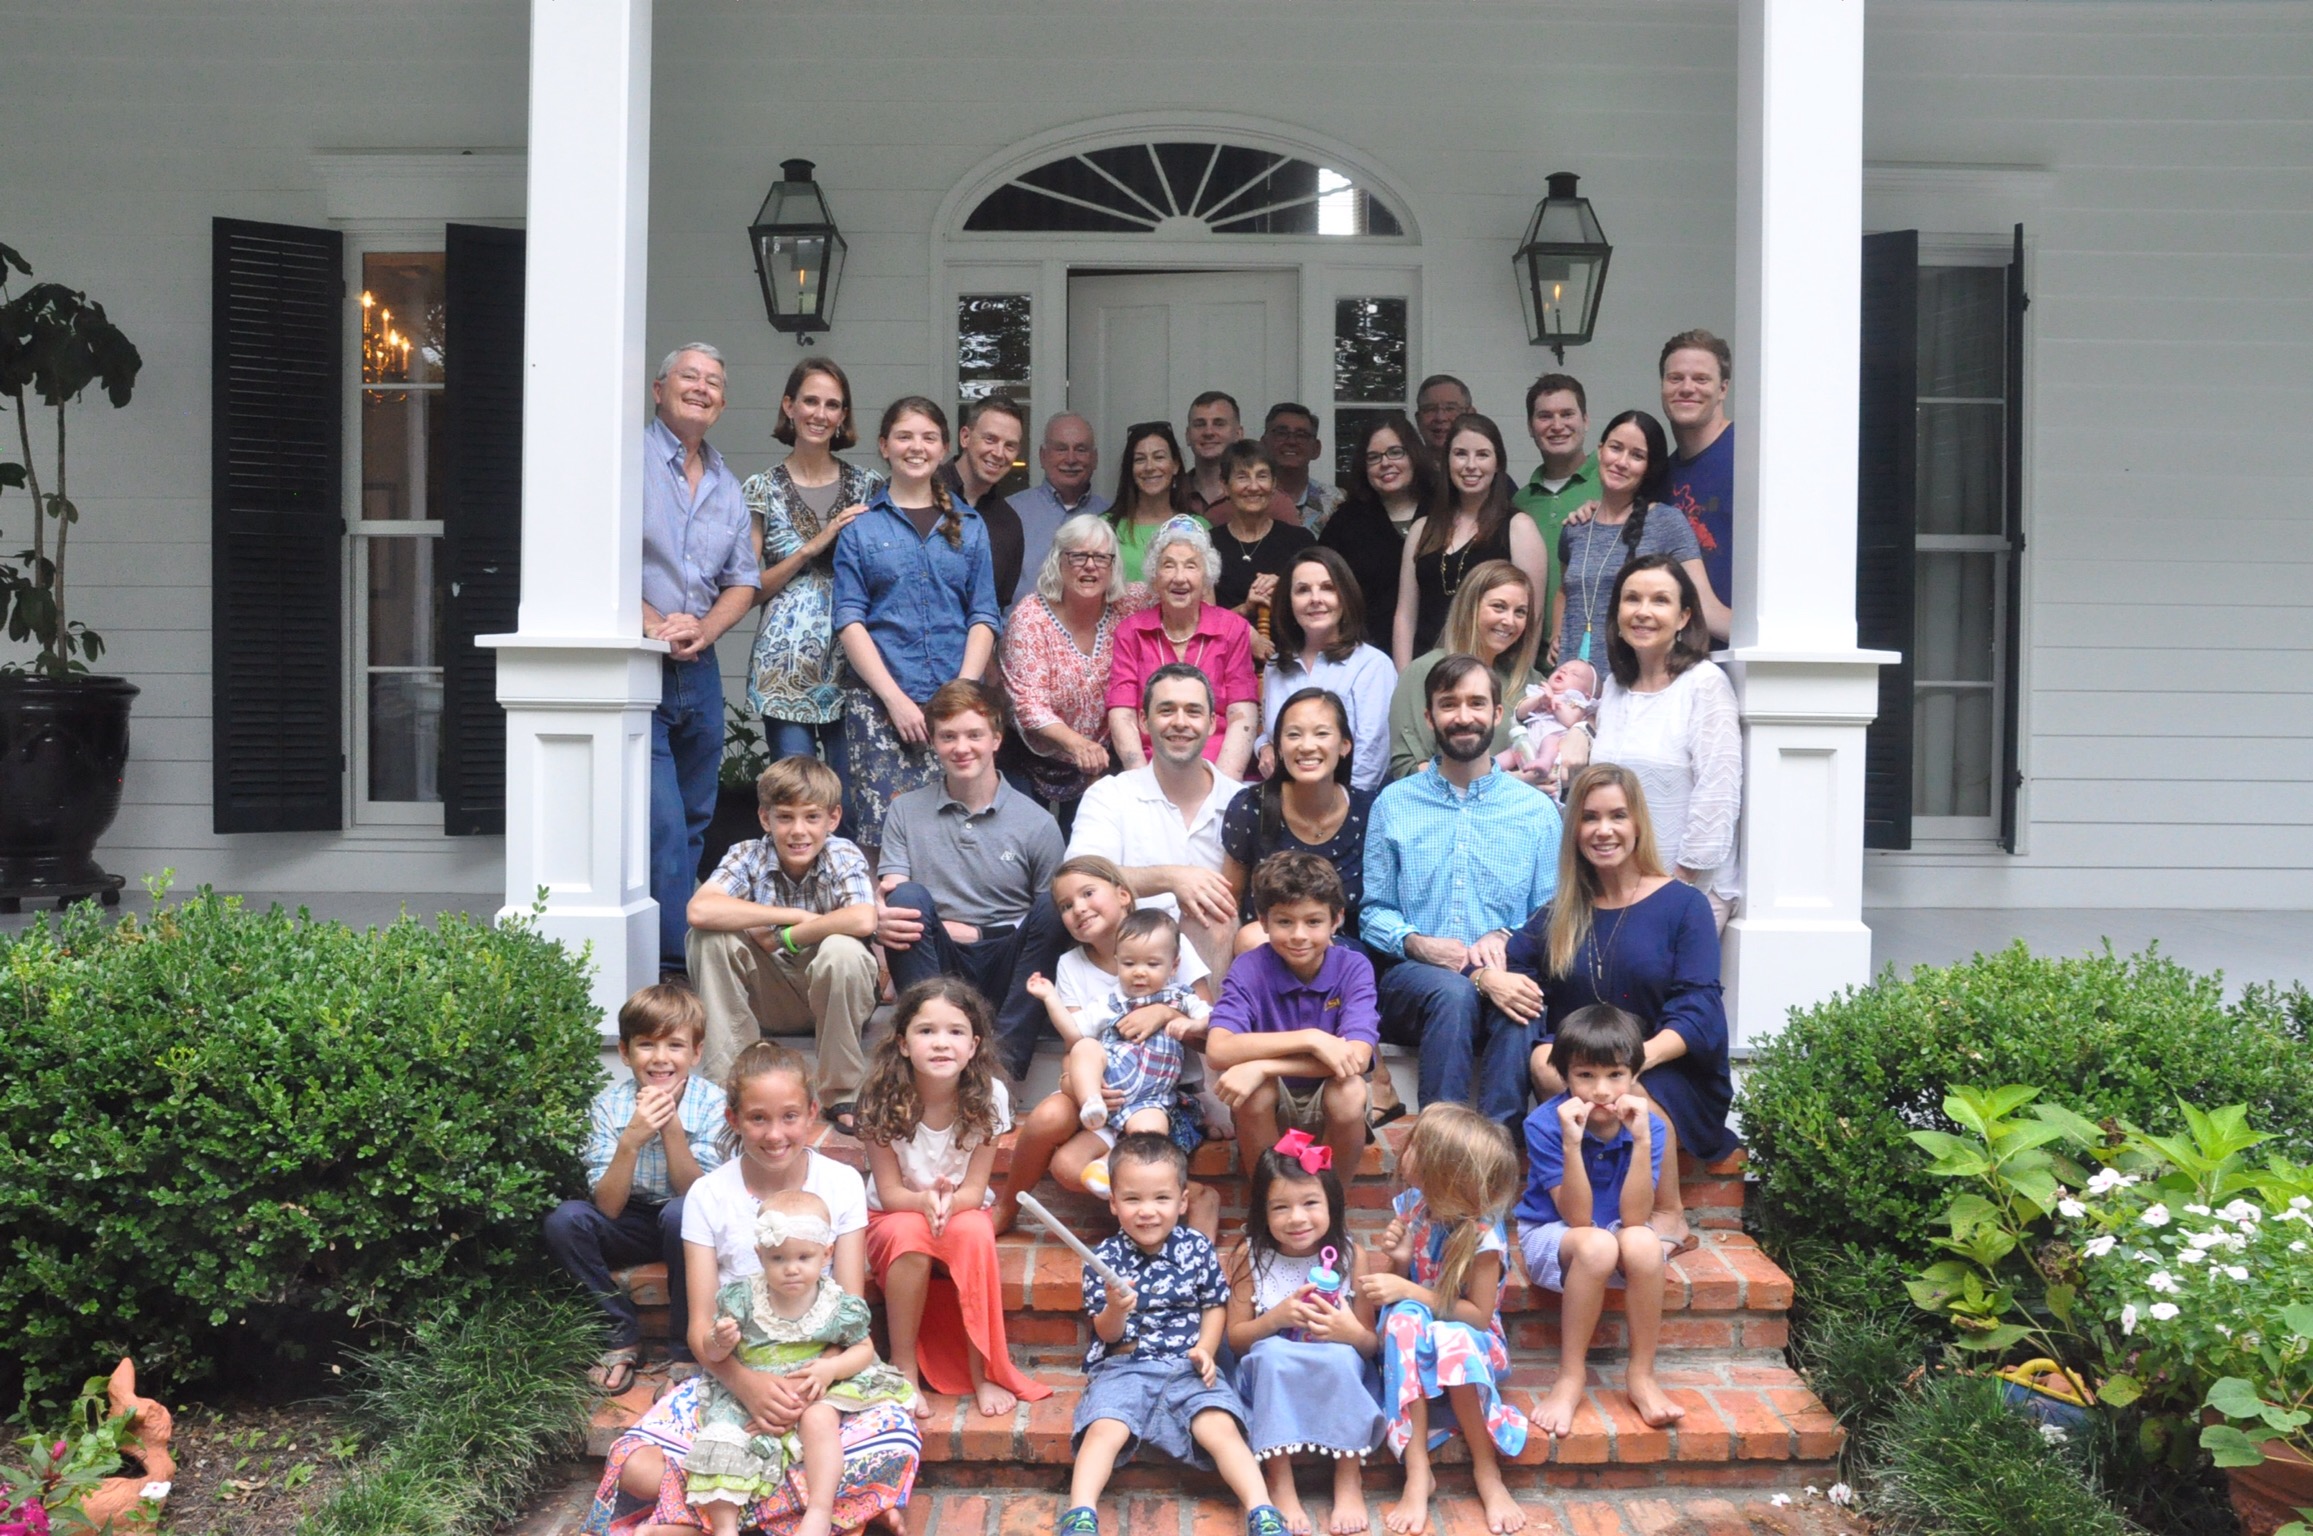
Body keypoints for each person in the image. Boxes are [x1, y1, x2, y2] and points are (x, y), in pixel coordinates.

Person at [585, 1041, 918, 1536]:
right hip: (735, 1372)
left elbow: (851, 1314)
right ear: (734, 1119)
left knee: (897, 1441)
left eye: (789, 1117)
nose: (775, 1134)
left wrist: (807, 1386)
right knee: (637, 1467)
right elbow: (700, 1328)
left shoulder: (842, 1183)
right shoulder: (708, 1195)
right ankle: (837, 1505)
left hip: (821, 1380)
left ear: (812, 1112)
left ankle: (706, 1513)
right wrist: (750, 1386)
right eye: (758, 1119)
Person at [1510, 763, 1739, 1220]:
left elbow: (1698, 1008)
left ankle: (1667, 1212)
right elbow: (1515, 960)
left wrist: (1629, 1062)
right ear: (1574, 829)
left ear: (1637, 824)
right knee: (1547, 1060)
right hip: (1589, 1061)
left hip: (1669, 1065)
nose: (1604, 830)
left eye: (1617, 815)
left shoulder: (1683, 905)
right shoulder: (1561, 913)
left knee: (1622, 1083)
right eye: (1590, 818)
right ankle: (1593, 1207)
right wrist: (1487, 977)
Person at [1362, 654, 1560, 1130]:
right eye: (1449, 704)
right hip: (1415, 981)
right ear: (1430, 717)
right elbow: (1373, 911)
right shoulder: (1395, 803)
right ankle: (1441, 1146)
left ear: (1498, 714)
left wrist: (1507, 935)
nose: (1463, 716)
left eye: (1476, 703)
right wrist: (1416, 943)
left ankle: (1498, 1155)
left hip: (1506, 975)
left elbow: (1551, 912)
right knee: (1453, 992)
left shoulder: (1536, 811)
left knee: (1523, 1003)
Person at [1060, 1134, 1289, 1536]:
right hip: (1125, 1367)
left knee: (1220, 1427)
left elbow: (1214, 1304)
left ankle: (1262, 1510)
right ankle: (1080, 1514)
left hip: (1188, 1366)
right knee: (1104, 1428)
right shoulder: (1104, 1258)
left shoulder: (1197, 1248)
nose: (1147, 1211)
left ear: (1182, 1202)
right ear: (1113, 1203)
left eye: (1161, 1198)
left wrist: (1206, 1349)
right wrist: (1115, 1308)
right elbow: (1106, 1332)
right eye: (1132, 1199)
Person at [857, 978, 1049, 1420]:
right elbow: (889, 1192)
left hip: (961, 1206)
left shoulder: (990, 1096)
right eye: (926, 1031)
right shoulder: (879, 1096)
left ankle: (982, 1370)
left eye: (956, 1032)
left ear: (974, 1045)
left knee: (974, 1234)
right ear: (903, 1043)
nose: (941, 1043)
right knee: (909, 1235)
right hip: (895, 1210)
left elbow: (976, 1189)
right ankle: (903, 1367)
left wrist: (951, 1203)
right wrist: (923, 1202)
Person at [998, 855, 1218, 1239]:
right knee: (1052, 1128)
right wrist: (1078, 1086)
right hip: (1101, 1091)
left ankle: (1181, 1196)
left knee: (1144, 1144)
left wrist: (1164, 1013)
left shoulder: (1166, 942)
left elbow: (1211, 1034)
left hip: (1159, 1096)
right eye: (1066, 905)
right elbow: (1077, 1041)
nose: (1078, 908)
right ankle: (1007, 1207)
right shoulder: (1071, 965)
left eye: (1088, 893)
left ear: (1123, 894)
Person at [687, 1187, 915, 1536]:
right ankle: (724, 1526)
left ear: (826, 1254)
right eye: (778, 1258)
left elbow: (863, 1348)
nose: (791, 1269)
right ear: (760, 1255)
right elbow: (713, 1353)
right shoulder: (743, 1299)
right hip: (754, 1391)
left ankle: (819, 1511)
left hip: (815, 1389)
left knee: (820, 1420)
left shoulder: (835, 1304)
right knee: (723, 1437)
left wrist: (830, 1369)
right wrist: (718, 1341)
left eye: (804, 1257)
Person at [831, 397, 1001, 857]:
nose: (916, 447)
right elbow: (849, 619)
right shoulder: (861, 528)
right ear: (884, 446)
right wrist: (894, 700)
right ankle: (882, 908)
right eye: (904, 436)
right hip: (880, 706)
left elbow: (983, 615)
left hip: (953, 708)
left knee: (955, 831)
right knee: (878, 835)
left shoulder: (970, 526)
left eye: (928, 437)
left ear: (944, 448)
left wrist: (961, 694)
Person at [875, 681, 1067, 1080]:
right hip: (937, 957)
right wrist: (884, 916)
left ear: (996, 739)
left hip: (1008, 962)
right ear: (933, 742)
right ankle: (929, 1048)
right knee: (905, 898)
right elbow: (893, 894)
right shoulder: (905, 811)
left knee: (1055, 905)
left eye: (974, 735)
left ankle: (1002, 1072)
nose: (961, 748)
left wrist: (981, 934)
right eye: (948, 736)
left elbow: (1051, 923)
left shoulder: (1037, 823)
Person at [1354, 1103, 1527, 1536]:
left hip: (1472, 1343)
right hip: (1413, 1339)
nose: (1404, 1151)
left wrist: (1409, 1289)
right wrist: (1399, 1260)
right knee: (1402, 1319)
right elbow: (1402, 1290)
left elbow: (1478, 1316)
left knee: (1451, 1336)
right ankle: (1417, 1471)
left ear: (1446, 1171)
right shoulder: (1414, 1206)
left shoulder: (1482, 1234)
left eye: (1417, 1147)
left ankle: (1486, 1469)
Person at [1514, 1005, 1685, 1444]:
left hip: (1616, 1231)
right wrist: (1572, 1145)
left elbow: (1635, 1218)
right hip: (1555, 1235)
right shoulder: (1545, 1123)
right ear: (1565, 1077)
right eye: (1585, 1075)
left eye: (1615, 1075)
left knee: (1644, 1243)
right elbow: (1576, 1218)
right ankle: (1571, 1377)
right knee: (1596, 1245)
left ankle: (1641, 1375)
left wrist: (1641, 1140)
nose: (1601, 1090)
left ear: (1634, 1075)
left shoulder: (1650, 1126)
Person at [642, 343, 759, 977]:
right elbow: (599, 558)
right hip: (640, 664)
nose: (702, 388)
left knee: (694, 818)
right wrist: (655, 624)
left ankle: (672, 949)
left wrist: (704, 630)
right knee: (661, 821)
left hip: (700, 667)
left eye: (713, 381)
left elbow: (743, 580)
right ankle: (673, 963)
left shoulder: (726, 485)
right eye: (689, 376)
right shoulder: (627, 463)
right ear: (658, 389)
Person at [546, 984, 726, 1396]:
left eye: (675, 1045)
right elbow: (607, 1208)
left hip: (689, 1226)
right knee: (564, 1221)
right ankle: (619, 1332)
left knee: (681, 1212)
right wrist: (631, 1140)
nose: (661, 1057)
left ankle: (686, 1348)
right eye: (647, 1044)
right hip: (628, 1218)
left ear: (696, 1053)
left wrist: (671, 1128)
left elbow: (699, 1196)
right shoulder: (608, 1106)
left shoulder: (713, 1104)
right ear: (625, 1052)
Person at [685, 755, 882, 1113]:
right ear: (766, 818)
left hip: (834, 995)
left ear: (833, 819)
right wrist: (791, 915)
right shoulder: (747, 855)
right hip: (771, 996)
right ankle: (732, 1087)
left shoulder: (842, 854)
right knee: (709, 937)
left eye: (812, 817)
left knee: (842, 949)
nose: (798, 831)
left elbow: (863, 918)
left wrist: (787, 937)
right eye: (786, 817)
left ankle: (842, 1093)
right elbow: (700, 910)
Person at [1560, 556, 1741, 926]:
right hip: (1614, 890)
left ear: (1684, 617)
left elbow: (1718, 794)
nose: (1643, 612)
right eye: (1632, 599)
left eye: (1660, 600)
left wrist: (1675, 886)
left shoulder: (1704, 684)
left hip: (1686, 893)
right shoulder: (1615, 686)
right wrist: (1580, 731)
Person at [1223, 1143, 1385, 1535]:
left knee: (1342, 1357)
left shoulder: (1350, 1255)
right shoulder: (1251, 1256)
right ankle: (1280, 1478)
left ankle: (1348, 1474)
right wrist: (1275, 1319)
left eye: (1310, 1203)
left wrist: (1349, 1332)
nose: (1297, 1218)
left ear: (1332, 1204)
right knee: (1271, 1355)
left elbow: (1370, 1345)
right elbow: (1236, 1339)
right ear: (1263, 1211)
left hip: (1336, 1366)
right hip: (1271, 1369)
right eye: (1280, 1207)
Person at [743, 356, 881, 770]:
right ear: (789, 406)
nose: (820, 414)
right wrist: (809, 548)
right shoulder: (761, 488)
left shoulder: (869, 486)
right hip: (783, 667)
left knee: (852, 793)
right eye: (810, 401)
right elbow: (747, 590)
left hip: (855, 662)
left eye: (832, 404)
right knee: (797, 793)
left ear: (843, 415)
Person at [1205, 853, 1377, 1176]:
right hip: (1271, 1104)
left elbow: (1356, 1059)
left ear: (1336, 920)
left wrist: (1263, 1065)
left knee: (1350, 1090)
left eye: (1313, 922)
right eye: (1285, 922)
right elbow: (1218, 1049)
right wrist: (1311, 1039)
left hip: (1330, 1102)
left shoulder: (1353, 967)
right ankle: (1270, 1202)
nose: (1299, 935)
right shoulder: (1249, 967)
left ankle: (1333, 1202)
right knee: (1254, 1093)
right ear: (1263, 921)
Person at [1075, 662, 1247, 979]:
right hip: (1127, 959)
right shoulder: (1110, 795)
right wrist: (1171, 878)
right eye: (1167, 710)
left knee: (1214, 915)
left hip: (1214, 953)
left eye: (1193, 712)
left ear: (1212, 723)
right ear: (1144, 720)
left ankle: (1209, 1013)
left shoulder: (1242, 802)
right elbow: (1079, 879)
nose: (1180, 722)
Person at [1000, 513, 1150, 819]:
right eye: (1078, 556)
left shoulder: (1129, 604)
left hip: (1101, 761)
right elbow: (1029, 706)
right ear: (1058, 561)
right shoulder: (1030, 617)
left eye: (1101, 557)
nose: (1090, 566)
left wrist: (1243, 616)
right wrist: (1079, 745)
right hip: (1031, 759)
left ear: (1113, 566)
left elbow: (1182, 595)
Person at [1550, 410, 1727, 671]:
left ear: (1649, 467)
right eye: (1615, 448)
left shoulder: (1666, 522)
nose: (1621, 462)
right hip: (1572, 685)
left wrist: (1770, 641)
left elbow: (1705, 608)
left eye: (1637, 455)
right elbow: (1566, 590)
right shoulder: (1576, 527)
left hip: (1633, 681)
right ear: (1600, 450)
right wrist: (1557, 634)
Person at [1032, 907, 1204, 1144]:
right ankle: (1091, 1101)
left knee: (1151, 1136)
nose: (1139, 972)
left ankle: (1107, 1163)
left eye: (1152, 964)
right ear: (1117, 963)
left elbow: (1211, 1022)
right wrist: (1050, 997)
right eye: (1129, 963)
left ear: (1174, 966)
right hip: (1107, 1085)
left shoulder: (1181, 998)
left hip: (1149, 1101)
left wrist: (1185, 1022)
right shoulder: (1109, 1003)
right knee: (1085, 1046)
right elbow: (1074, 1031)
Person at [1105, 520, 1261, 780]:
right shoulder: (1131, 632)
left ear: (1206, 578)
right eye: (1168, 565)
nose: (1179, 577)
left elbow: (1241, 714)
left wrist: (1223, 787)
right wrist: (1141, 783)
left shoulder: (1232, 629)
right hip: (1150, 771)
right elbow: (1123, 714)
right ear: (1155, 577)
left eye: (1191, 566)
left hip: (1218, 769)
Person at [1393, 413, 1549, 666]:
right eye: (1460, 454)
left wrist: (1516, 682)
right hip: (1426, 671)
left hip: (1491, 674)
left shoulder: (1519, 528)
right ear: (1447, 461)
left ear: (1498, 464)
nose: (1470, 465)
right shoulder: (1422, 529)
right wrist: (1404, 677)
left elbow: (1533, 617)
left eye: (1482, 455)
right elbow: (1405, 616)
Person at [1224, 689, 1376, 941]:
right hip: (1266, 947)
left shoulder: (1370, 811)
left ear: (1344, 745)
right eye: (1294, 735)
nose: (1306, 746)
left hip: (1345, 953)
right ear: (1278, 748)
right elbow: (1230, 902)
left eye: (1321, 733)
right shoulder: (1251, 807)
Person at [1385, 562, 1545, 783]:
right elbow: (1409, 767)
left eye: (1520, 612)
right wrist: (1510, 785)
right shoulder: (1425, 671)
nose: (1509, 621)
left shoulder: (1530, 680)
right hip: (1440, 804)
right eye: (1499, 607)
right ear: (1470, 607)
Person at [1259, 548, 1394, 794]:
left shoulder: (1373, 665)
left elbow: (1372, 757)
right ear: (1288, 602)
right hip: (1285, 798)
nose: (1315, 599)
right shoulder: (1276, 666)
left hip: (1349, 803)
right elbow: (1272, 733)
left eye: (1327, 588)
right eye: (1302, 590)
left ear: (1345, 596)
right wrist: (1263, 747)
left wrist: (1344, 807)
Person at [1319, 414, 1432, 652]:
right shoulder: (1346, 521)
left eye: (1395, 452)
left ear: (1413, 454)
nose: (1385, 463)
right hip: (1368, 651)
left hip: (1440, 648)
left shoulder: (1443, 511)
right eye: (1373, 457)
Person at [1210, 440, 1316, 660]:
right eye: (1242, 477)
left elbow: (1318, 608)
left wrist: (1286, 588)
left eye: (1262, 476)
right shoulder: (1208, 545)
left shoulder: (1300, 541)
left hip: (1292, 661)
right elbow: (1200, 621)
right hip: (1225, 662)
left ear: (1274, 483)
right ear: (1224, 485)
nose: (1253, 486)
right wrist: (1245, 610)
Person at [1659, 330, 1736, 634]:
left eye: (1701, 379)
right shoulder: (1659, 477)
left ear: (1723, 389)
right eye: (1675, 378)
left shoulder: (1751, 456)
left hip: (1744, 650)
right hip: (1678, 651)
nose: (1687, 388)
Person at [1511, 373, 1596, 607]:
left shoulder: (1612, 485)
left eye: (1567, 414)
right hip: (1532, 629)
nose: (1557, 426)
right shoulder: (1520, 502)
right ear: (1530, 426)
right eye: (1545, 416)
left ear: (1586, 420)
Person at [939, 394, 1030, 607]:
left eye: (1010, 446)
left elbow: (996, 607)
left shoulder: (1008, 524)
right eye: (990, 439)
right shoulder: (919, 491)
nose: (998, 453)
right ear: (965, 437)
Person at [1008, 411, 1111, 582]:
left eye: (1081, 450)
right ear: (1043, 456)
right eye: (1061, 449)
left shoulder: (1111, 517)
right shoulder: (1011, 513)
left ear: (1095, 458)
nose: (1071, 459)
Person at [1106, 421, 1204, 585]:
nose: (1149, 467)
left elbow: (1207, 592)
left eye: (1159, 457)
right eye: (1140, 459)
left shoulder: (1198, 527)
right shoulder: (1106, 527)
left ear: (1175, 465)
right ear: (1130, 469)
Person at [1184, 390, 1298, 526]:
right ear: (1188, 435)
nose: (1208, 432)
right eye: (1200, 424)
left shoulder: (1274, 502)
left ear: (1239, 434)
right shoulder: (1172, 495)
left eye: (1219, 424)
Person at [1498, 655, 1597, 789]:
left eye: (1574, 674)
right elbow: (1520, 713)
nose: (1563, 671)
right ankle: (1492, 767)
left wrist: (1555, 703)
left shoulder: (1577, 701)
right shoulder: (1538, 692)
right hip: (1529, 739)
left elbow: (1570, 721)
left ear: (1587, 694)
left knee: (1549, 740)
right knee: (1512, 751)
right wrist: (1538, 700)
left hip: (1556, 741)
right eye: (1561, 669)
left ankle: (1544, 761)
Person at [1261, 402, 1342, 534]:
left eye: (1301, 435)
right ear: (1263, 444)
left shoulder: (1337, 502)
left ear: (1316, 449)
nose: (1291, 441)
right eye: (1281, 433)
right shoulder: (1248, 498)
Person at [1412, 375, 1473, 457]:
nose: (1440, 418)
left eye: (1450, 408)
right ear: (1418, 419)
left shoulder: (1485, 464)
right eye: (1430, 409)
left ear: (1470, 415)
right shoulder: (1404, 465)